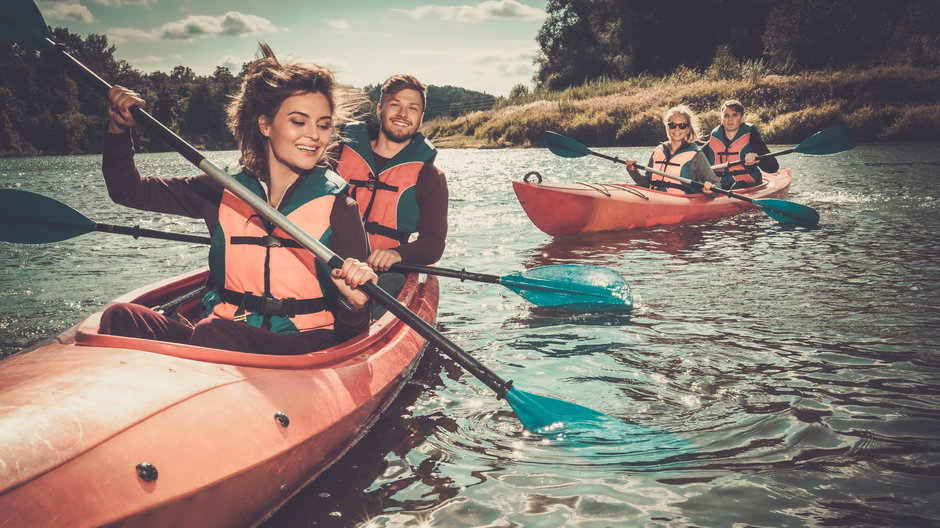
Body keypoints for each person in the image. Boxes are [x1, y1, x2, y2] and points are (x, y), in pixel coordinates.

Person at [98, 44, 377, 355]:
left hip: (303, 345)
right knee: (121, 316)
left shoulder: (338, 205)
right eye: (299, 121)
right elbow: (128, 191)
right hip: (228, 328)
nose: (315, 135)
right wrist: (118, 130)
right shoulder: (222, 189)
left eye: (324, 125)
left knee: (213, 333)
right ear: (265, 125)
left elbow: (354, 332)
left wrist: (355, 302)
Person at [330, 74, 448, 273]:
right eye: (395, 105)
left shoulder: (430, 177)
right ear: (379, 110)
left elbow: (434, 244)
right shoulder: (337, 153)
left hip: (383, 275)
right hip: (329, 261)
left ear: (421, 118)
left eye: (412, 108)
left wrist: (397, 254)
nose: (403, 114)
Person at [625, 105, 718, 194]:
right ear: (666, 127)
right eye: (672, 125)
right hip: (655, 199)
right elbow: (647, 183)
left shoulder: (696, 155)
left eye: (682, 125)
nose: (677, 129)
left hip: (682, 203)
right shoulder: (658, 151)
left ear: (688, 129)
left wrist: (710, 190)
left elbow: (716, 184)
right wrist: (632, 171)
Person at [701, 99, 779, 189]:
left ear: (742, 118)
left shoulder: (753, 139)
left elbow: (773, 167)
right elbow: (695, 163)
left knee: (739, 185)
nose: (730, 119)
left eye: (735, 115)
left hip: (747, 186)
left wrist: (759, 159)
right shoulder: (713, 141)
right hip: (718, 186)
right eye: (726, 116)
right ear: (721, 119)